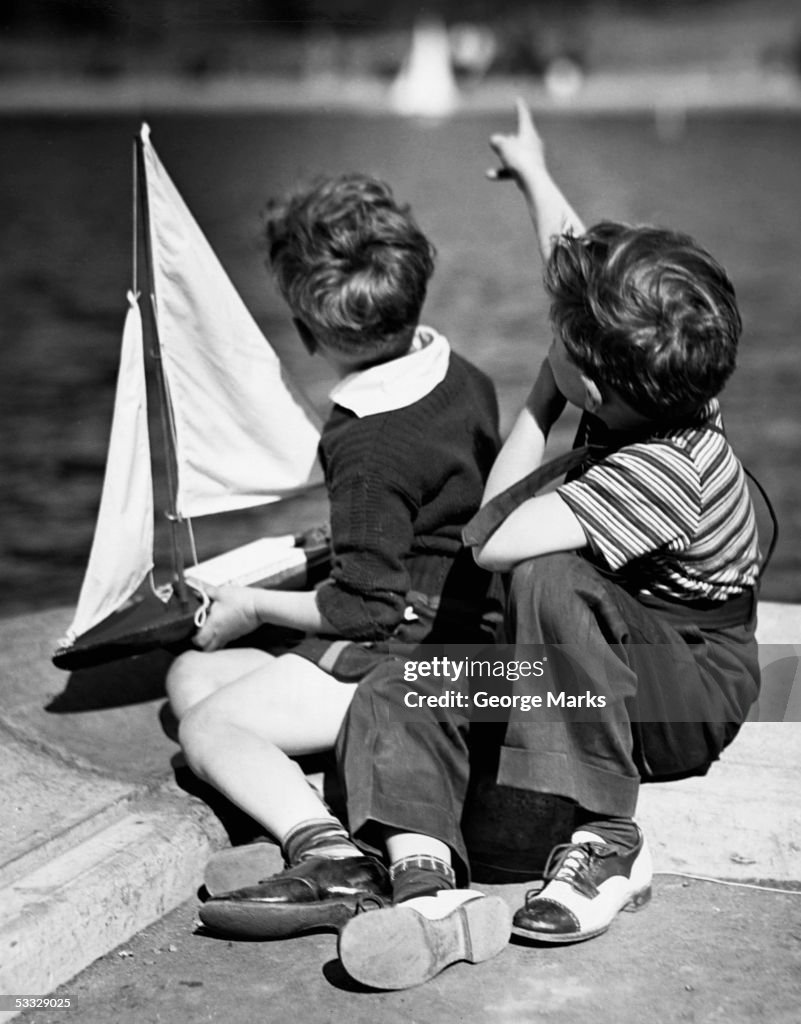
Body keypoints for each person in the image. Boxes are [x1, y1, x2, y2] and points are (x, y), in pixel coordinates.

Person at [331, 98, 762, 984]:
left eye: (564, 344)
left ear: (594, 384)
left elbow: (490, 538)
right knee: (399, 685)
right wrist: (534, 174)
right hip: (595, 667)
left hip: (681, 697)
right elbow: (588, 284)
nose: (551, 332)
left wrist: (540, 393)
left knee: (545, 578)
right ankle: (422, 867)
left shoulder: (659, 474)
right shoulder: (666, 378)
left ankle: (606, 838)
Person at [165, 172, 511, 964]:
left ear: (305, 325)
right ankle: (326, 779)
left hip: (403, 653)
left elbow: (363, 610)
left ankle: (328, 855)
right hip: (457, 626)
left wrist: (252, 604)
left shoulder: (362, 440)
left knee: (205, 723)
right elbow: (439, 510)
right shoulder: (464, 376)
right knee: (193, 674)